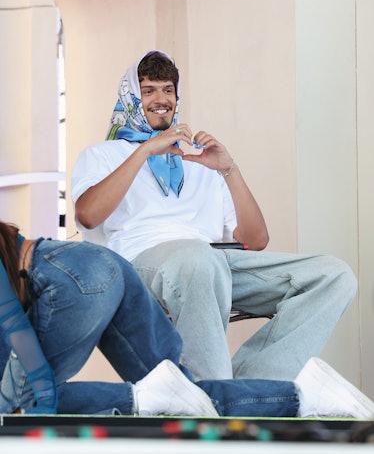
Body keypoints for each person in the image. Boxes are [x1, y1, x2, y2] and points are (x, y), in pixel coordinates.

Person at [71, 50, 357, 382]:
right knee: (197, 258)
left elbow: (256, 240)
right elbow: (88, 215)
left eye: (168, 90)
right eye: (148, 90)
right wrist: (145, 149)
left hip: (209, 264)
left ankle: (252, 385)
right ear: (131, 97)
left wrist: (228, 170)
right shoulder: (104, 155)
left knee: (333, 276)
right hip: (143, 266)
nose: (160, 99)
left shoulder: (200, 164)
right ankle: (213, 389)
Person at [1, 220, 374, 419]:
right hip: (106, 265)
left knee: (16, 405)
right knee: (184, 395)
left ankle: (140, 398)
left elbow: (15, 353)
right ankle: (307, 396)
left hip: (71, 278)